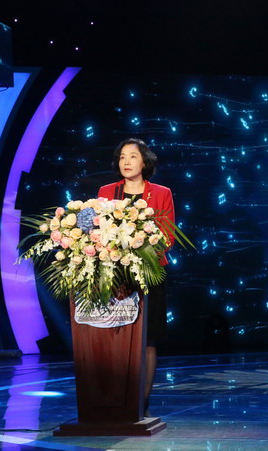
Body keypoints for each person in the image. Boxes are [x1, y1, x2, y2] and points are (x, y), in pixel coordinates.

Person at [97, 138, 174, 417]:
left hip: (149, 274)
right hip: (114, 275)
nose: (126, 162)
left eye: (132, 156)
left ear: (145, 162)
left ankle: (142, 402)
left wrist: (140, 252)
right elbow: (97, 230)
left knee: (148, 340)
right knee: (115, 339)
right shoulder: (107, 192)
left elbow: (167, 237)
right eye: (122, 157)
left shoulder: (161, 193)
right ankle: (116, 399)